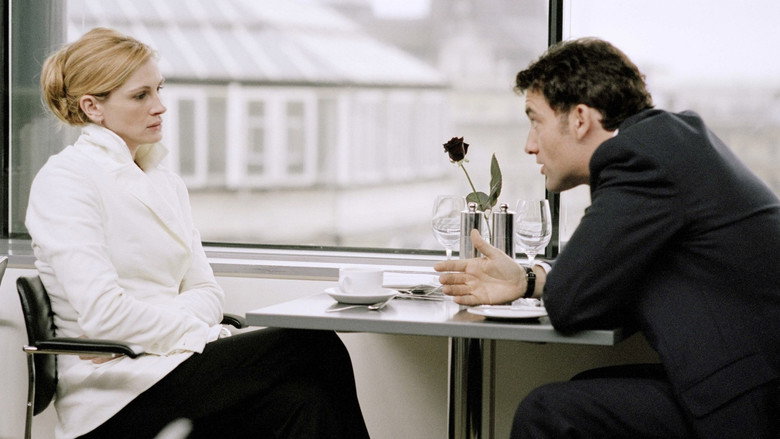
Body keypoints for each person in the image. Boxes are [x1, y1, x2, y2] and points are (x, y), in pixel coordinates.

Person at [28, 27, 370, 439]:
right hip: (112, 394)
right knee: (312, 343)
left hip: (170, 365)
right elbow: (105, 315)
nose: (160, 107)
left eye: (158, 89)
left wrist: (177, 329)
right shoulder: (66, 180)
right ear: (92, 107)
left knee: (305, 400)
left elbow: (207, 292)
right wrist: (199, 333)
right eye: (141, 96)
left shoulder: (165, 182)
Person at [435, 38, 779, 438]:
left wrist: (551, 286)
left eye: (536, 122)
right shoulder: (668, 141)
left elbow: (569, 303)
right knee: (581, 392)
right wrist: (527, 279)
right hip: (753, 378)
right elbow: (597, 278)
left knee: (548, 413)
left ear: (580, 119)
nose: (530, 145)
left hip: (755, 403)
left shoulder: (640, 159)